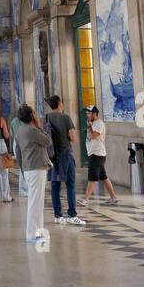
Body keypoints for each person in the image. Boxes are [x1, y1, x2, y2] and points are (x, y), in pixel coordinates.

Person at [13, 105, 52, 243]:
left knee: (37, 201)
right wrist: (39, 126)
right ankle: (31, 233)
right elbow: (48, 141)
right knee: (35, 202)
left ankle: (39, 231)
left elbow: (17, 153)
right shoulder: (32, 130)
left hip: (29, 169)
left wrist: (23, 169)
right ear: (31, 116)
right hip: (36, 169)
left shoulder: (19, 131)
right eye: (34, 113)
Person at [45, 95, 85, 225]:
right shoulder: (65, 117)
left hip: (52, 155)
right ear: (59, 103)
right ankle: (72, 214)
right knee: (70, 185)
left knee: (55, 185)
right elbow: (73, 137)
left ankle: (58, 215)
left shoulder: (47, 117)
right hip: (65, 154)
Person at [81, 106, 119, 206]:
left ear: (95, 114)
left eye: (89, 113)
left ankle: (85, 199)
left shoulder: (99, 124)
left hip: (97, 154)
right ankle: (113, 197)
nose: (87, 115)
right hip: (96, 154)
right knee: (104, 177)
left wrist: (89, 126)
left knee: (92, 177)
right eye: (87, 113)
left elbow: (94, 136)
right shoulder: (93, 123)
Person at [10, 103, 29, 198]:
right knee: (24, 167)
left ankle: (24, 189)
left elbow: (11, 133)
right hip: (22, 143)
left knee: (22, 166)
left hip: (16, 143)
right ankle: (24, 189)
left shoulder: (13, 121)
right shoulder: (25, 122)